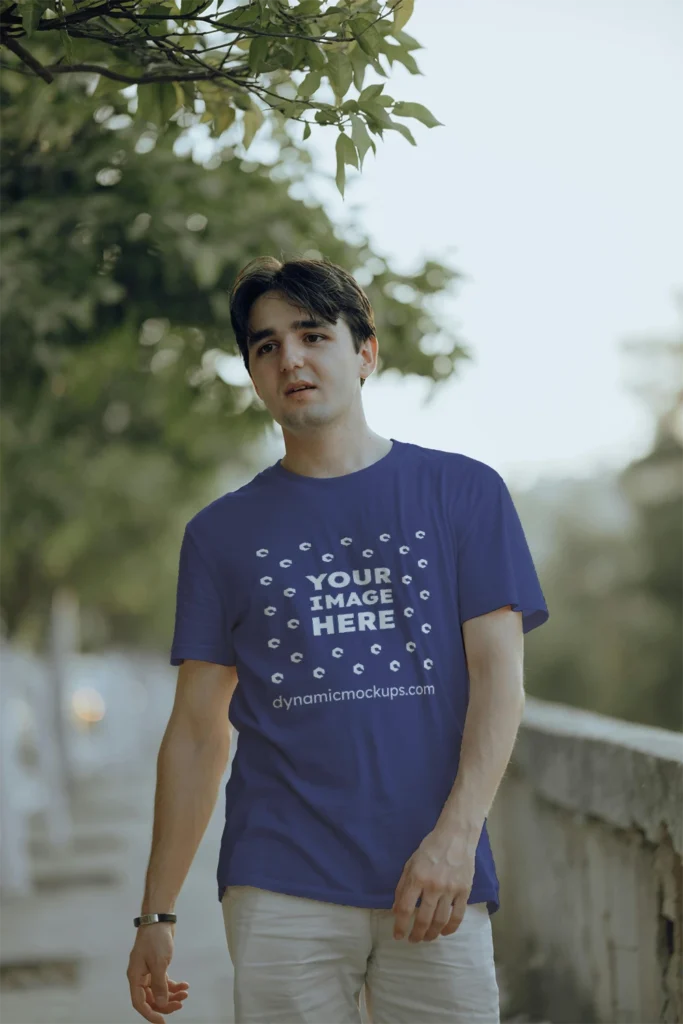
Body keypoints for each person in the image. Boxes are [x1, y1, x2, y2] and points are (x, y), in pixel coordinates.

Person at [127, 255, 549, 1024]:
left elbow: (499, 683)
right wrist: (155, 914)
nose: (289, 357)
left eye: (312, 335)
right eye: (265, 345)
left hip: (435, 873)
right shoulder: (220, 535)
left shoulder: (462, 493)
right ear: (252, 373)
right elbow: (194, 733)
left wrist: (455, 840)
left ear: (364, 353)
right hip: (278, 879)